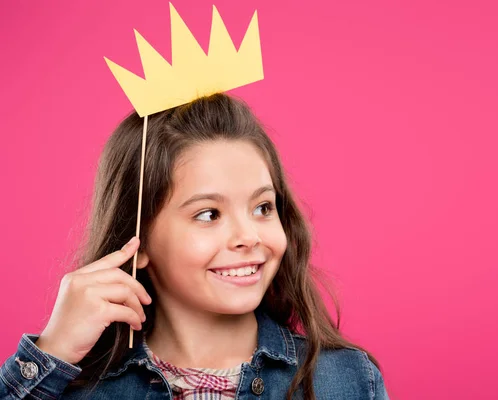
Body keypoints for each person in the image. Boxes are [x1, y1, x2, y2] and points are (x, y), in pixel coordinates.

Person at [0, 93, 390, 399]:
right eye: (209, 214)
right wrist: (49, 354)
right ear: (139, 239)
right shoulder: (74, 387)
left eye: (262, 207)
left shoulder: (349, 380)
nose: (249, 237)